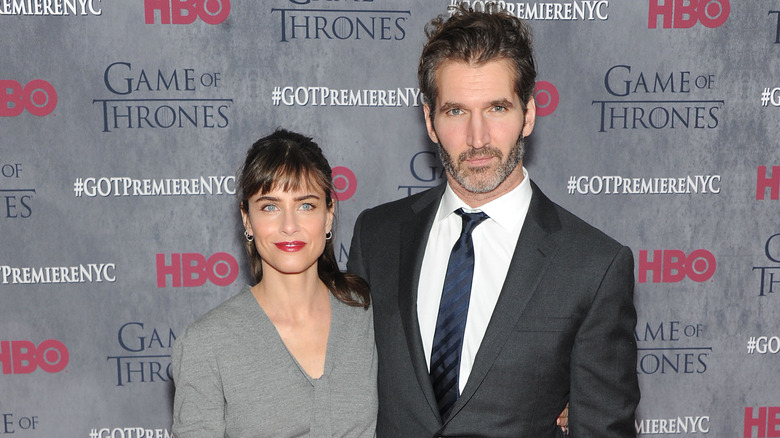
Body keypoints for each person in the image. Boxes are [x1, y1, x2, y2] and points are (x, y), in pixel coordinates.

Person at [347, 5, 639, 437]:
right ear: (429, 120)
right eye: (456, 111)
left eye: (497, 108)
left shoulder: (593, 266)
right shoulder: (378, 236)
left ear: (529, 114)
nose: (478, 138)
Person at [171, 129, 378, 437]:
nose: (289, 226)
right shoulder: (206, 344)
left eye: (306, 205)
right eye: (270, 206)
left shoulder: (364, 312)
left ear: (328, 214)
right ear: (247, 219)